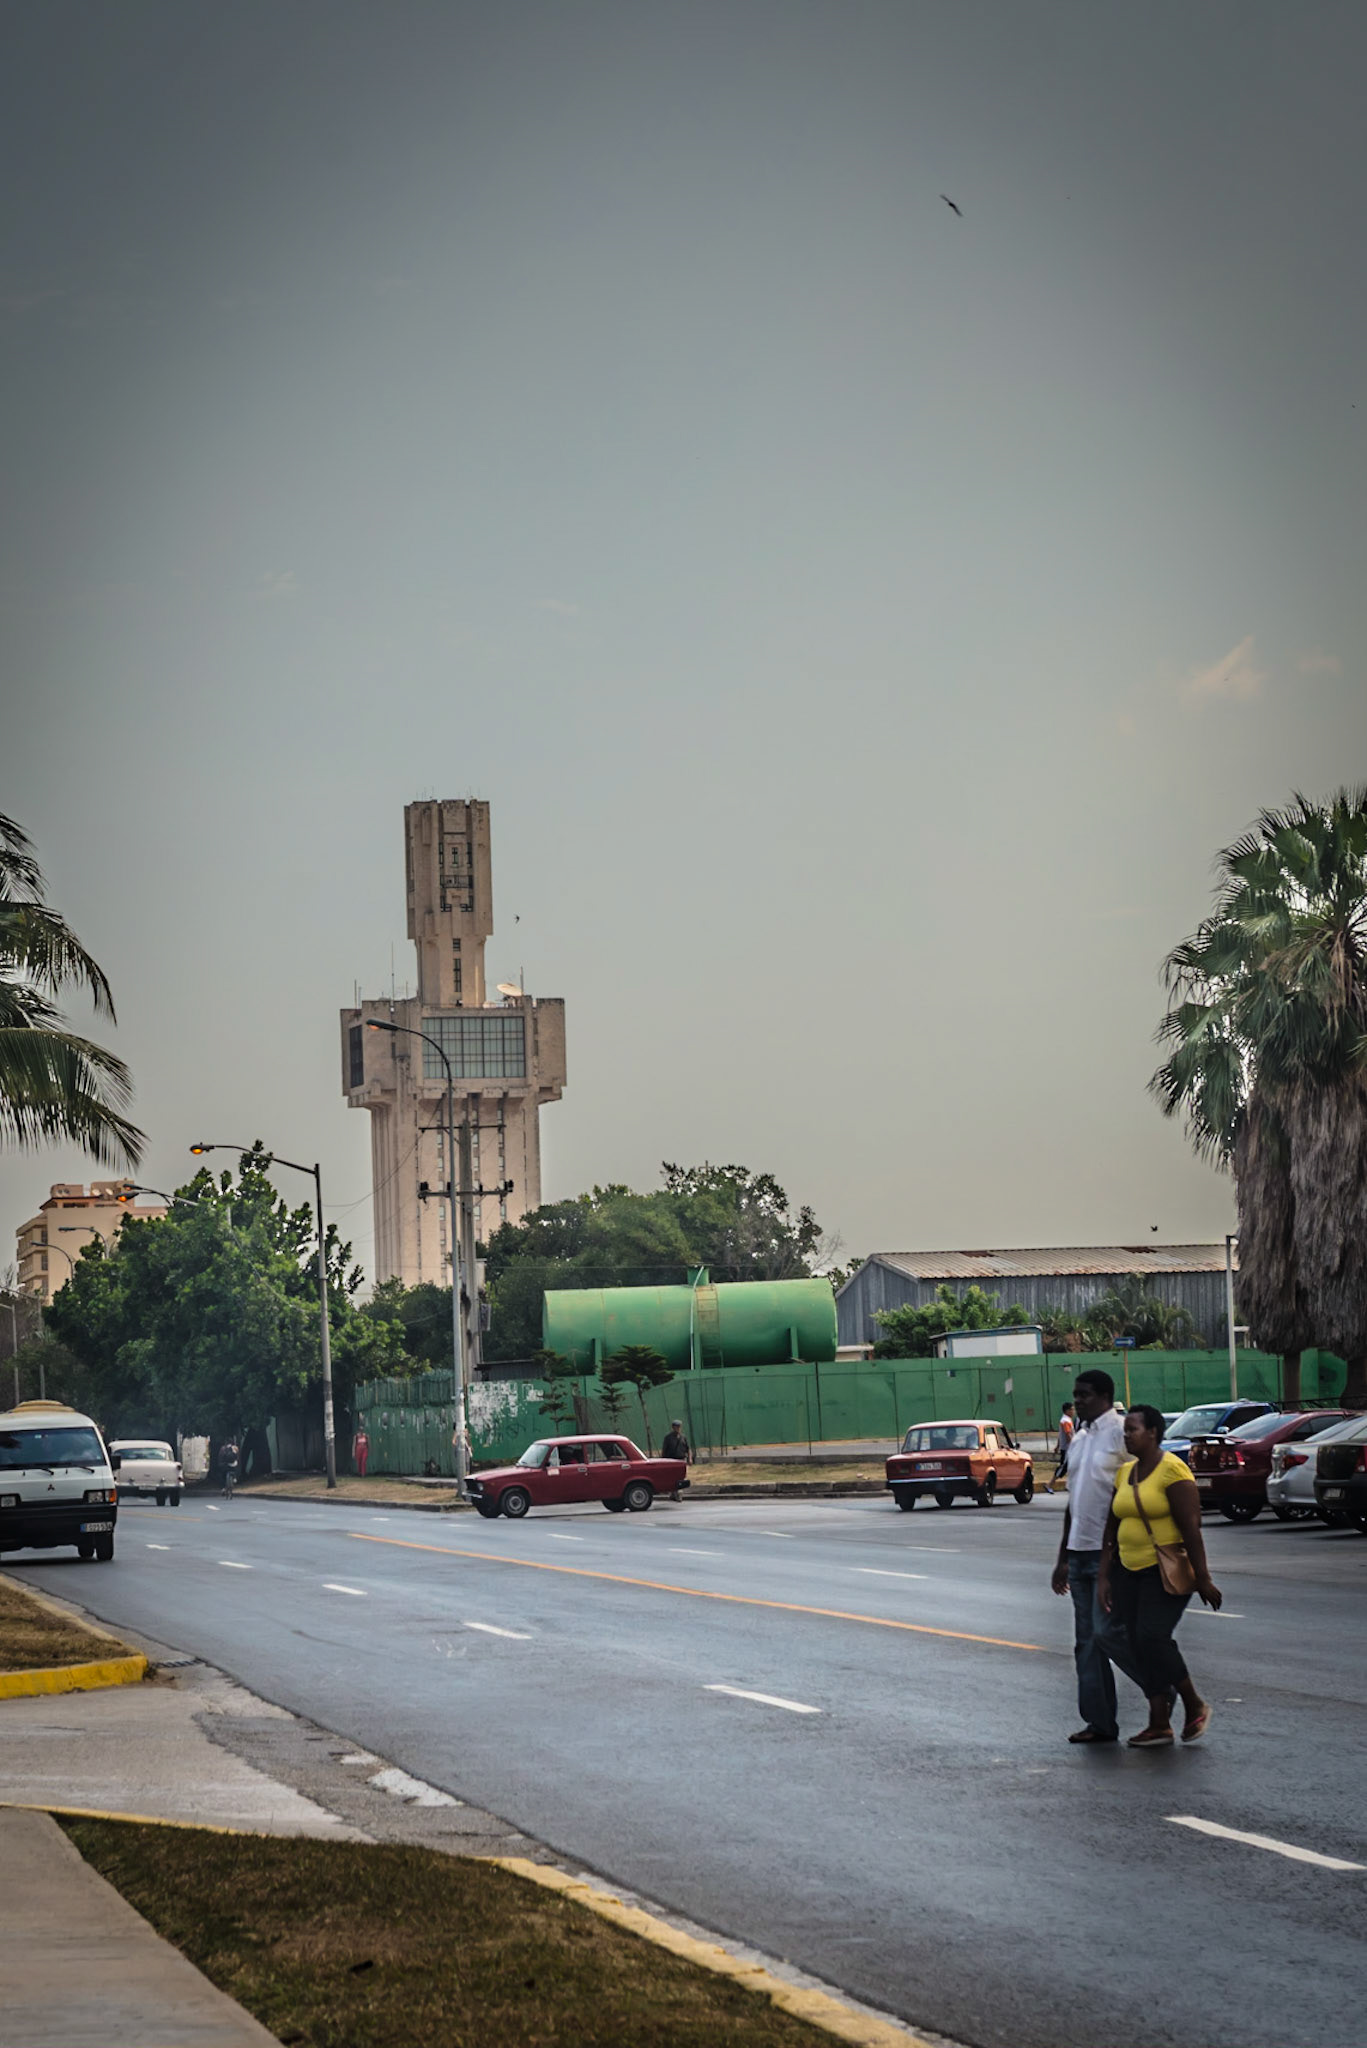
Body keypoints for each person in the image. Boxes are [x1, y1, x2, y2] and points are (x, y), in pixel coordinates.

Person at [1098, 1403, 1219, 1747]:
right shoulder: (1125, 1473)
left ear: (1153, 1433)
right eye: (1125, 1431)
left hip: (1163, 1570)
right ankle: (1159, 1723)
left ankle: (1194, 1702)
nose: (1127, 1436)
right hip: (1127, 1569)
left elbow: (1192, 1529)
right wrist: (1105, 1577)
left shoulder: (1173, 1472)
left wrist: (1204, 1577)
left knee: (1152, 1636)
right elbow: (1111, 1529)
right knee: (1138, 1643)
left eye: (1132, 1430)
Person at [1049, 1368, 1153, 1744]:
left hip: (1113, 1555)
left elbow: (1141, 1485)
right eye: (1075, 1395)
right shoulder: (1079, 1438)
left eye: (1085, 1395)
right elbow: (1073, 1502)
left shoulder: (1121, 1433)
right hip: (1079, 1554)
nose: (1078, 1401)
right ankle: (1100, 1723)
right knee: (1087, 1643)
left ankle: (1163, 1689)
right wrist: (1062, 1557)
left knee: (1109, 1634)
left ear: (1105, 1397)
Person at [1046, 1401, 1076, 1494]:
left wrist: (1057, 1446)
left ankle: (1070, 1485)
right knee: (1063, 1467)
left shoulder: (1066, 1420)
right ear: (1067, 1411)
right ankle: (1049, 1484)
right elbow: (1067, 1435)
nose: (1073, 1411)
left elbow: (1061, 1435)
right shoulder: (1066, 1421)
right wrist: (1073, 1445)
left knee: (1071, 1466)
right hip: (1068, 1449)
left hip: (1067, 1447)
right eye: (1072, 1409)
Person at [661, 1418, 691, 1501]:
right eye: (676, 1427)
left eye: (679, 1427)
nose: (678, 1428)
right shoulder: (668, 1438)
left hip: (681, 1460)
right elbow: (664, 1450)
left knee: (681, 1477)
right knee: (672, 1478)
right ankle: (674, 1493)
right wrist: (663, 1461)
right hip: (672, 1460)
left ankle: (678, 1494)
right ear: (673, 1427)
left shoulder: (683, 1437)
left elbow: (688, 1449)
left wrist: (690, 1458)